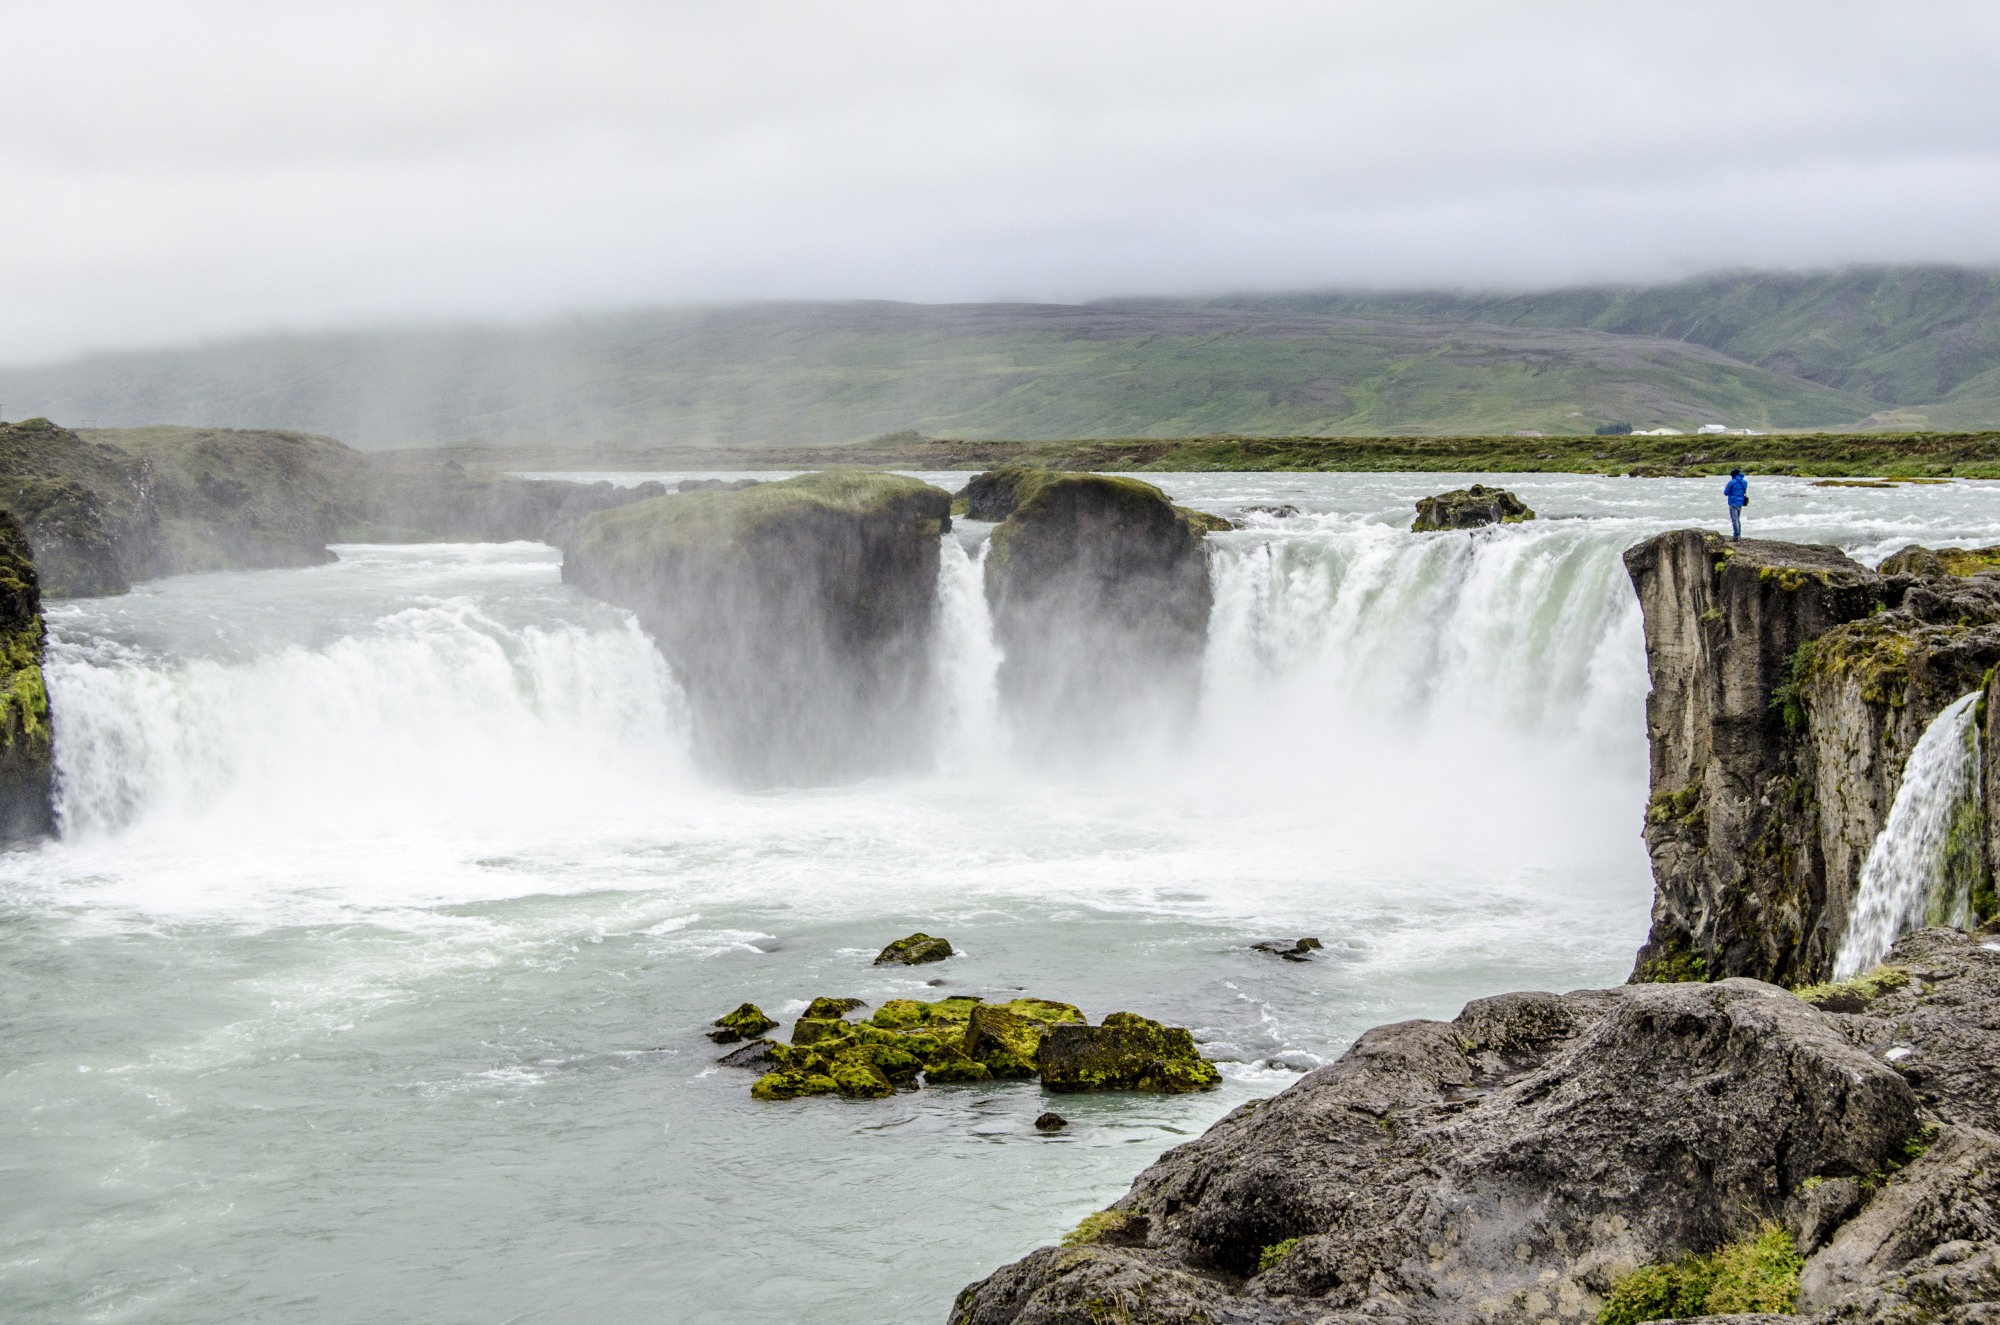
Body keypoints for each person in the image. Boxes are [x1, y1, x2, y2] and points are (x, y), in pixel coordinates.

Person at [1723, 468, 1748, 540]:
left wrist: (1726, 486)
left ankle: (1736, 535)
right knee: (1737, 519)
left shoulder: (1732, 482)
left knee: (1734, 519)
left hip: (1733, 502)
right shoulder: (1744, 482)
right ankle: (1739, 533)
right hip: (1740, 502)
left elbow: (1726, 493)